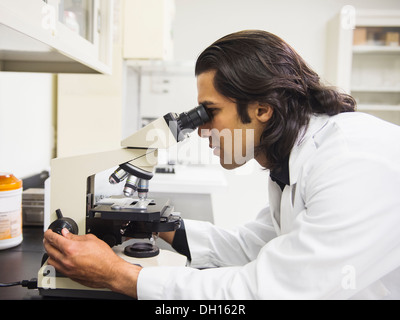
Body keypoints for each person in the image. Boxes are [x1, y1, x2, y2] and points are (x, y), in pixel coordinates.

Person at [43, 30, 400, 300]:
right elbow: (252, 246)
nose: (200, 129)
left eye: (209, 112)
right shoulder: (292, 162)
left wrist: (120, 275)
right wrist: (158, 226)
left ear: (261, 108)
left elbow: (265, 290)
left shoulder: (350, 161)